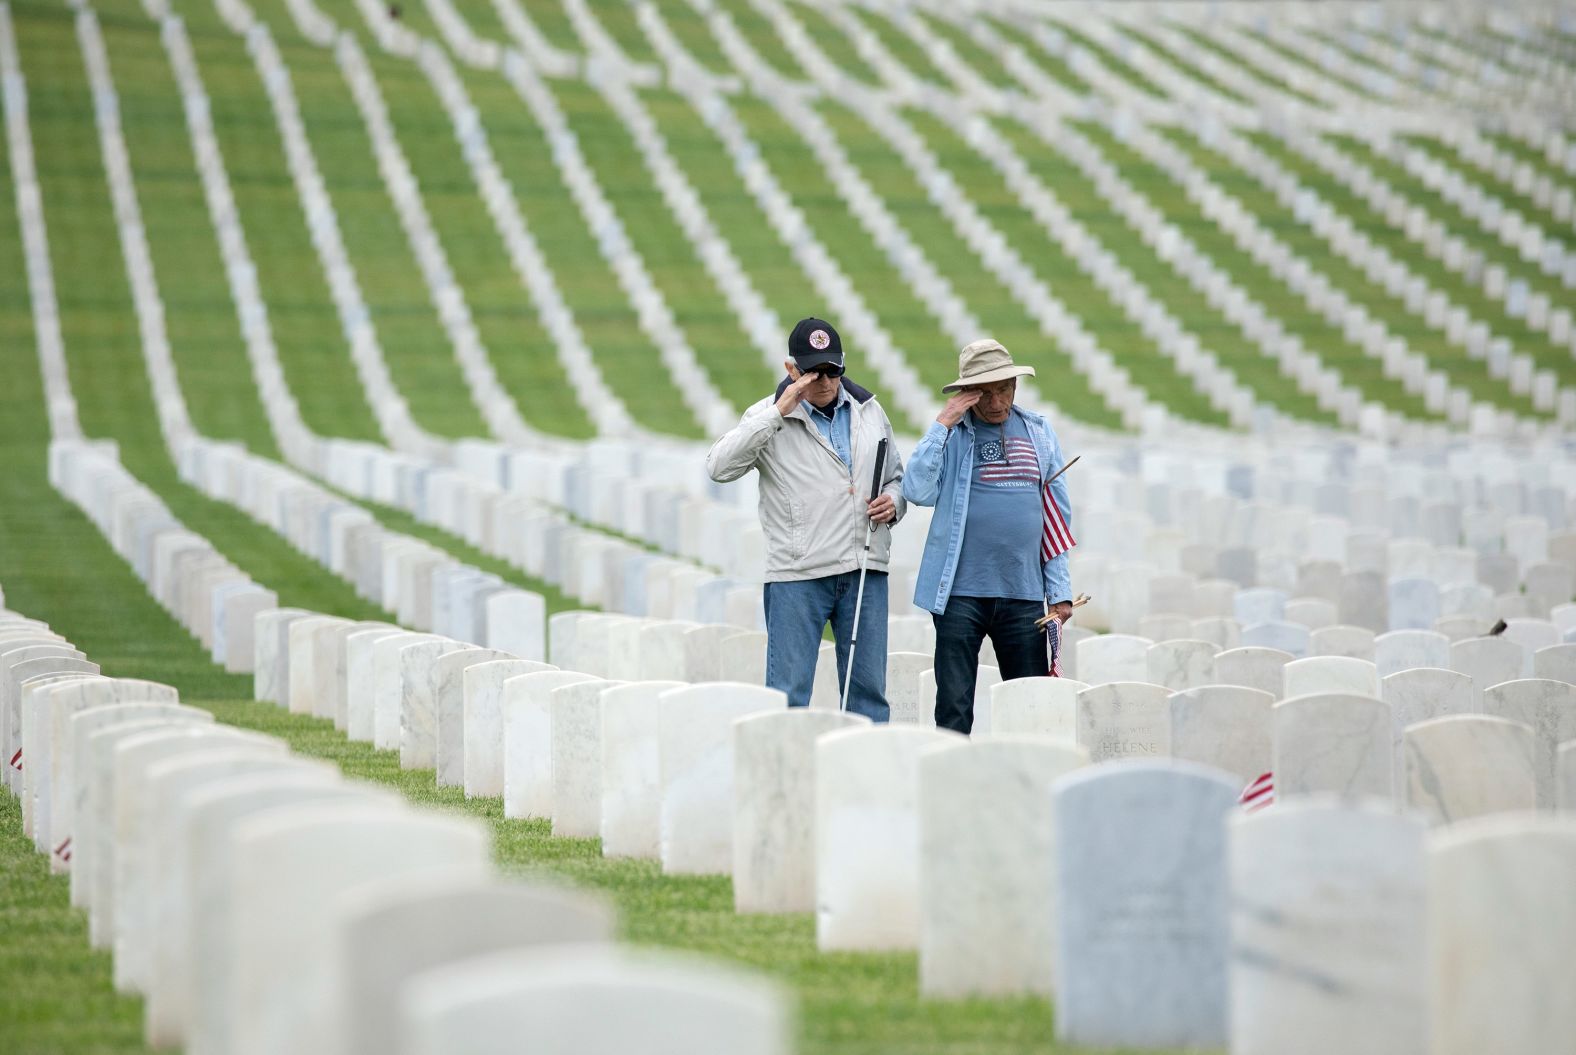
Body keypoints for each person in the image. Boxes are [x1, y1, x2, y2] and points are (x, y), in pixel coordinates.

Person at [705, 318, 905, 722]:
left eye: (834, 370)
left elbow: (895, 476)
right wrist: (779, 411)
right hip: (798, 575)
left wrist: (895, 503)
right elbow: (719, 467)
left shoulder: (869, 410)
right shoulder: (767, 415)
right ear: (792, 370)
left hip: (865, 568)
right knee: (789, 696)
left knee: (868, 696)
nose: (826, 381)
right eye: (814, 372)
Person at [902, 339, 1075, 734]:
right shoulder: (954, 434)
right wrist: (942, 423)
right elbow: (917, 490)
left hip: (1024, 595)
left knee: (1028, 707)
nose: (997, 402)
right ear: (969, 393)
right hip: (959, 594)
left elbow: (1056, 516)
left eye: (1005, 390)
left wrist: (1060, 590)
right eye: (987, 393)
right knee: (954, 706)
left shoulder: (1039, 432)